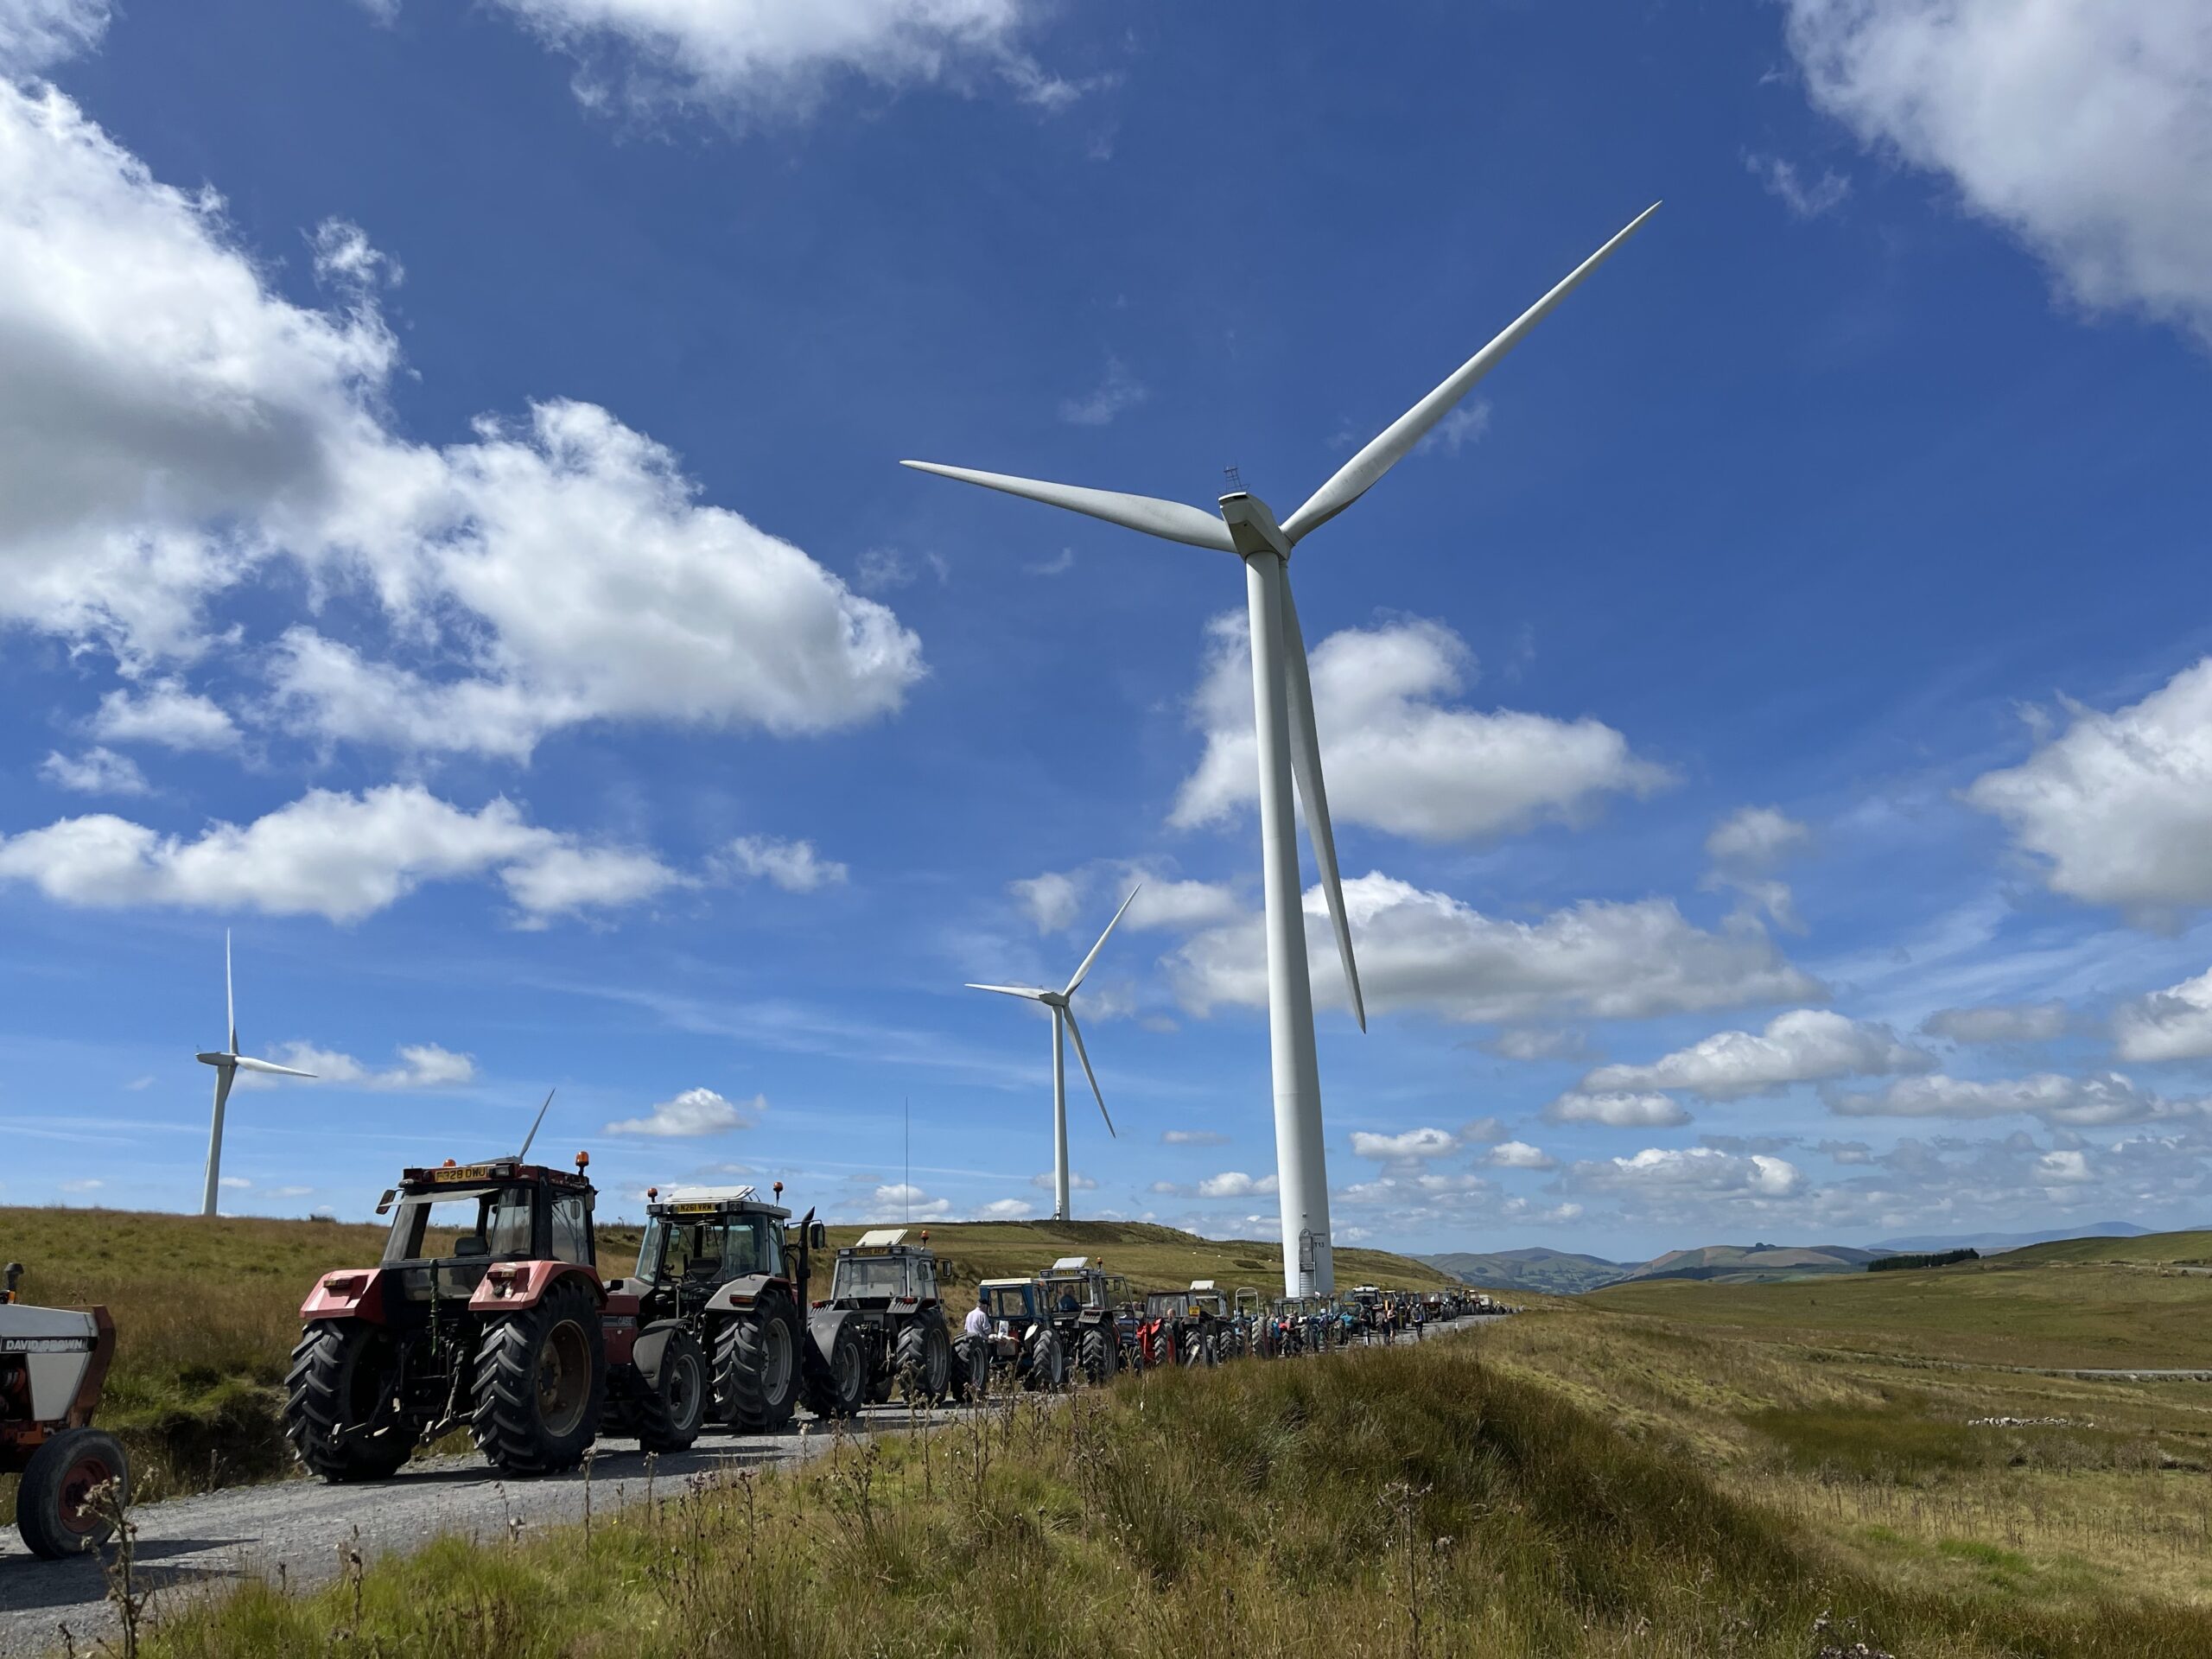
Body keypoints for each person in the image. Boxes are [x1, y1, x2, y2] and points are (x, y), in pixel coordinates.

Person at [963, 1293, 991, 1400]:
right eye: (986, 1307)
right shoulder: (982, 1315)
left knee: (972, 1367)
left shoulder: (969, 1314)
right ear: (984, 1306)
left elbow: (966, 1328)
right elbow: (987, 1330)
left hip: (969, 1343)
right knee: (983, 1367)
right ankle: (981, 1390)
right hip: (981, 1343)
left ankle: (972, 1387)